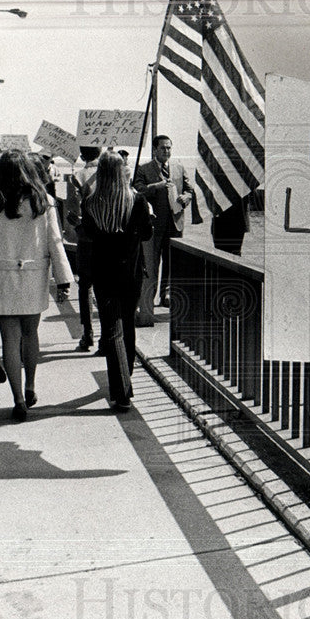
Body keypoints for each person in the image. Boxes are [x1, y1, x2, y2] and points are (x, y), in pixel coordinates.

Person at [0, 150, 73, 421]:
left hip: (0, 276)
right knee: (31, 334)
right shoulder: (43, 201)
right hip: (33, 275)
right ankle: (31, 384)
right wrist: (63, 280)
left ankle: (18, 398)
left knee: (10, 341)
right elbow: (54, 242)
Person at [80, 152, 152, 411]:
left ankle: (120, 388)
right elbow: (146, 234)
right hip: (130, 272)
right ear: (121, 172)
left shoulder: (91, 202)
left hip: (103, 272)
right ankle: (126, 379)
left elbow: (87, 232)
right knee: (128, 325)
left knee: (112, 329)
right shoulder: (137, 200)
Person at [133, 134, 192, 325]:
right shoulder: (144, 169)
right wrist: (156, 186)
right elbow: (137, 191)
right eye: (163, 148)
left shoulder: (179, 167)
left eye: (169, 148)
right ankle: (146, 308)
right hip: (153, 226)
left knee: (174, 264)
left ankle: (167, 298)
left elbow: (190, 189)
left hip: (175, 225)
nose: (166, 151)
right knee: (151, 266)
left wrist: (186, 197)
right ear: (155, 150)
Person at [64, 146, 101, 350]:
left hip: (87, 239)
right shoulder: (114, 174)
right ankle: (108, 337)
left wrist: (78, 227)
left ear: (81, 155)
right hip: (110, 239)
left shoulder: (77, 176)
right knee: (106, 288)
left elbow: (73, 210)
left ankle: (88, 334)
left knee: (86, 286)